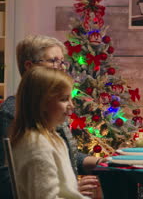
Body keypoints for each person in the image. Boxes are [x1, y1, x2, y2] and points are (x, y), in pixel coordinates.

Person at [0, 35, 100, 198]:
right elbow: (9, 178)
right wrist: (72, 192)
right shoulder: (12, 113)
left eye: (62, 62)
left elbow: (65, 156)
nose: (61, 68)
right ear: (29, 67)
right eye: (53, 61)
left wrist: (100, 162)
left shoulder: (51, 113)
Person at [10, 66, 88, 198]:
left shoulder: (53, 138)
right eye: (64, 99)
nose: (72, 105)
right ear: (42, 103)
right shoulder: (37, 145)